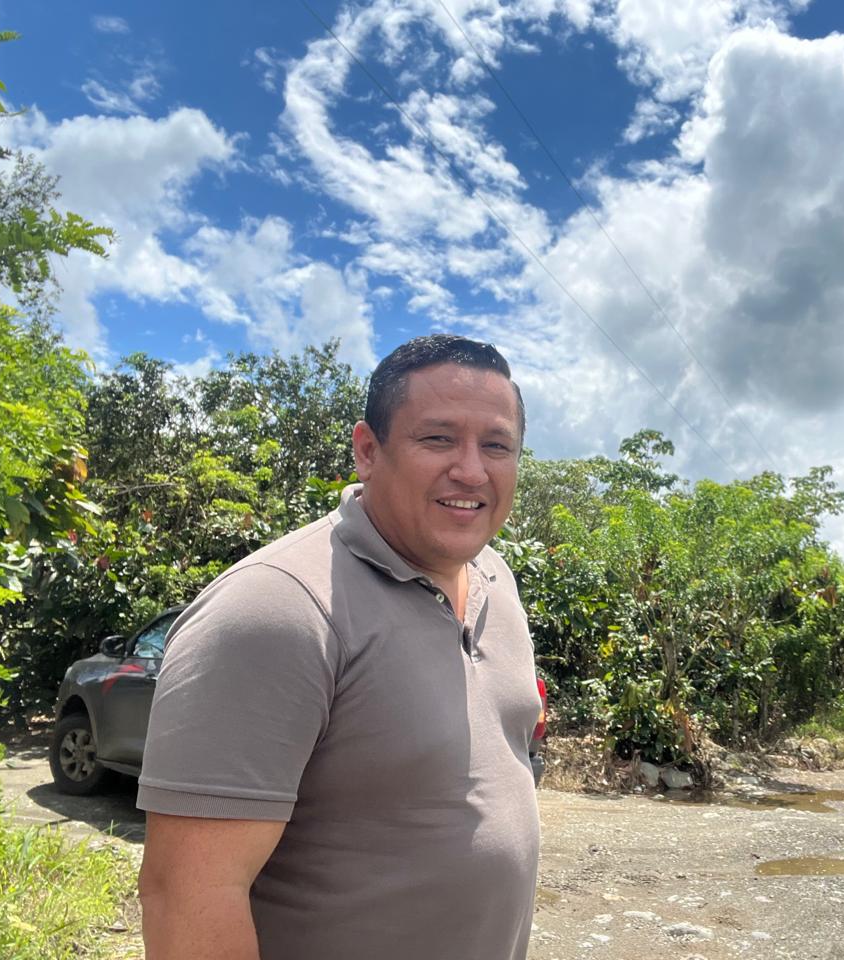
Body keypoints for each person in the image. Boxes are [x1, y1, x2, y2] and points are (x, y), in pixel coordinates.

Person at [136, 335, 541, 960]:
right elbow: (186, 898)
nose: (471, 470)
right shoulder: (277, 609)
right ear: (367, 451)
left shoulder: (497, 580)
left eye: (496, 445)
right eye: (438, 438)